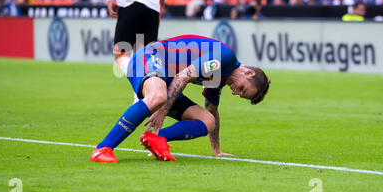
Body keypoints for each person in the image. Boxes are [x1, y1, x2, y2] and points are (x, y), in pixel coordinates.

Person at [91, 35, 271, 163]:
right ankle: (103, 148)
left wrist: (216, 151)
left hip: (166, 79)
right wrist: (163, 111)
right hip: (150, 57)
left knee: (208, 121)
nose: (235, 93)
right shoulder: (225, 57)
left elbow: (211, 111)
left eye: (240, 95)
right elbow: (183, 76)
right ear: (248, 72)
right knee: (159, 96)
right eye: (242, 89)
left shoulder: (220, 80)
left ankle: (156, 138)